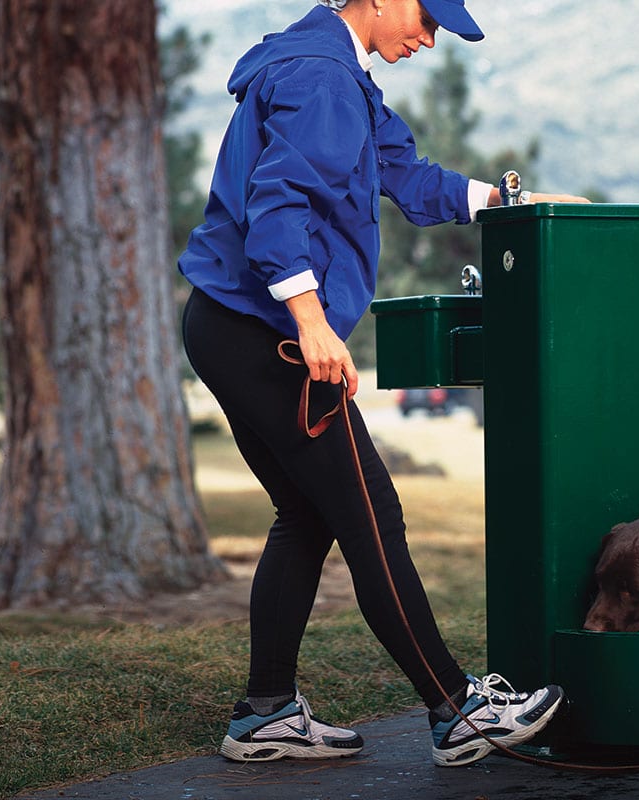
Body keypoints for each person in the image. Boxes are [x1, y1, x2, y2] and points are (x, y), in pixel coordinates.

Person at [178, 0, 586, 768]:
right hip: (264, 332)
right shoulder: (323, 78)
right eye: (428, 18)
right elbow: (278, 203)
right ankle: (457, 708)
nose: (430, 38)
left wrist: (508, 202)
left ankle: (265, 713)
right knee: (371, 511)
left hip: (226, 324)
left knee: (307, 513)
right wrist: (310, 319)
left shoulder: (336, 75)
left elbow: (407, 175)